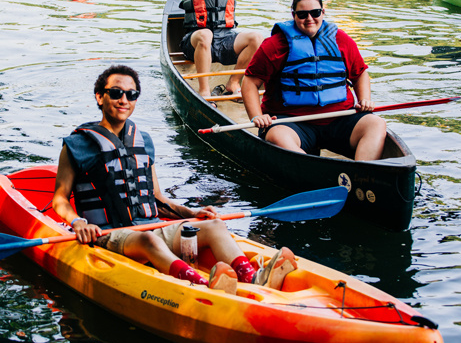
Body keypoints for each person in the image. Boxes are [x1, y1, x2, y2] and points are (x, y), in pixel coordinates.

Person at [52, 65, 297, 294]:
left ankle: (253, 279)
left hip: (151, 227)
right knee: (148, 239)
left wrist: (193, 212)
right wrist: (78, 223)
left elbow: (158, 200)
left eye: (131, 94)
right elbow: (60, 200)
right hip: (108, 235)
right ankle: (201, 285)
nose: (123, 100)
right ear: (100, 97)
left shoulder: (143, 140)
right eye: (116, 93)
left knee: (214, 225)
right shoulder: (77, 144)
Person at [241, 0, 387, 161]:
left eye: (315, 13)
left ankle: (362, 175)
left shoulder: (342, 40)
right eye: (302, 14)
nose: (309, 18)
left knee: (376, 124)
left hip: (339, 119)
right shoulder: (274, 46)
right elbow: (250, 82)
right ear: (293, 15)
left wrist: (364, 100)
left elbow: (360, 74)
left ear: (323, 12)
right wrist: (257, 116)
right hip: (292, 122)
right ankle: (316, 173)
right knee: (277, 137)